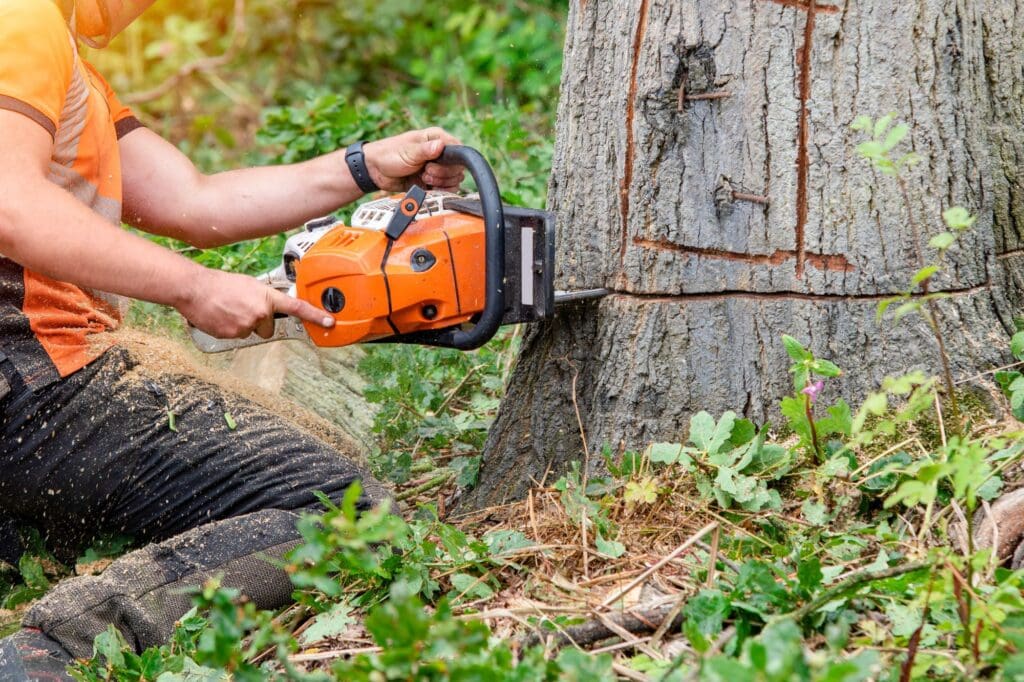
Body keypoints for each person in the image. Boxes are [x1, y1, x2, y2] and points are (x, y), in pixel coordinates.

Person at [0, 0, 465, 677]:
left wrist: (364, 167)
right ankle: (53, 649)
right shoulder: (24, 20)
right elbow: (11, 205)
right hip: (33, 379)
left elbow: (194, 201)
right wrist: (194, 289)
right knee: (340, 507)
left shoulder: (62, 63)